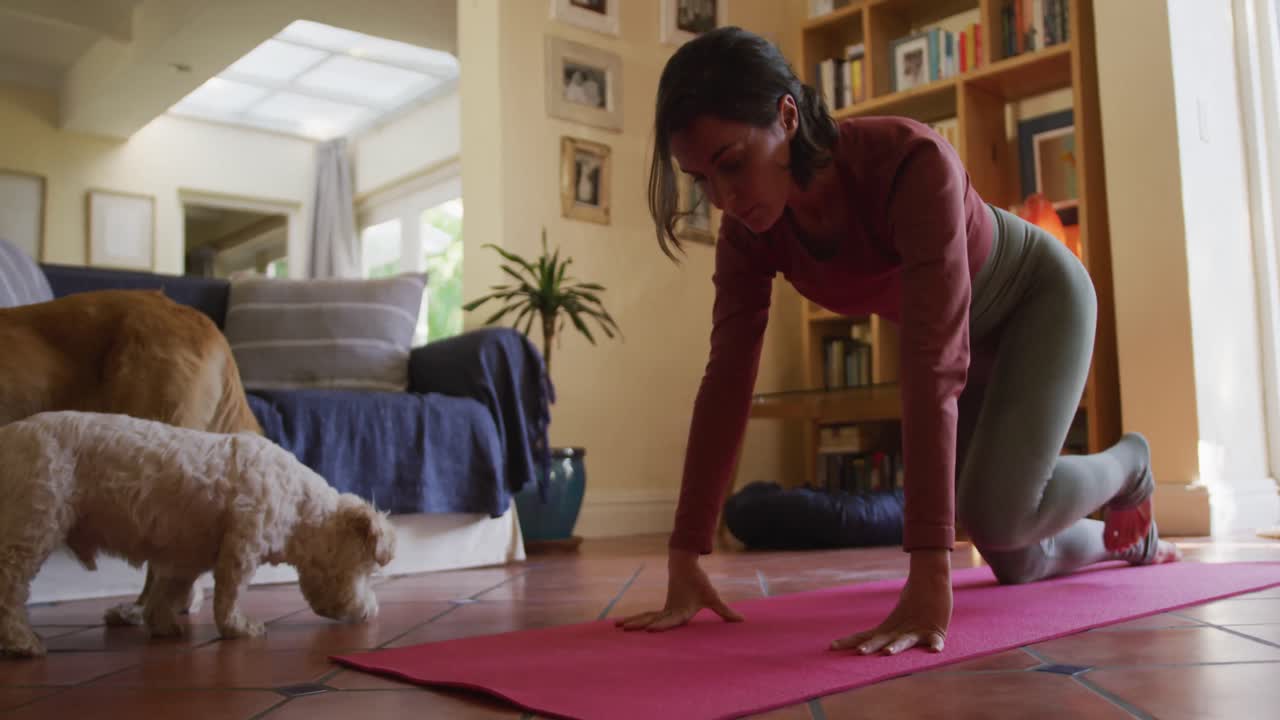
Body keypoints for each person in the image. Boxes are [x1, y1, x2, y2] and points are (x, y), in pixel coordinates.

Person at [616, 26, 1180, 656]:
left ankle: (1130, 464)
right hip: (962, 334)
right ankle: (1122, 542)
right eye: (701, 181)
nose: (722, 199)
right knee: (1018, 558)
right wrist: (687, 550)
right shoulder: (750, 232)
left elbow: (932, 363)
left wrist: (929, 575)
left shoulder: (912, 161)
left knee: (994, 512)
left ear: (787, 115)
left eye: (731, 164)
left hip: (1038, 304)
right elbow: (727, 378)